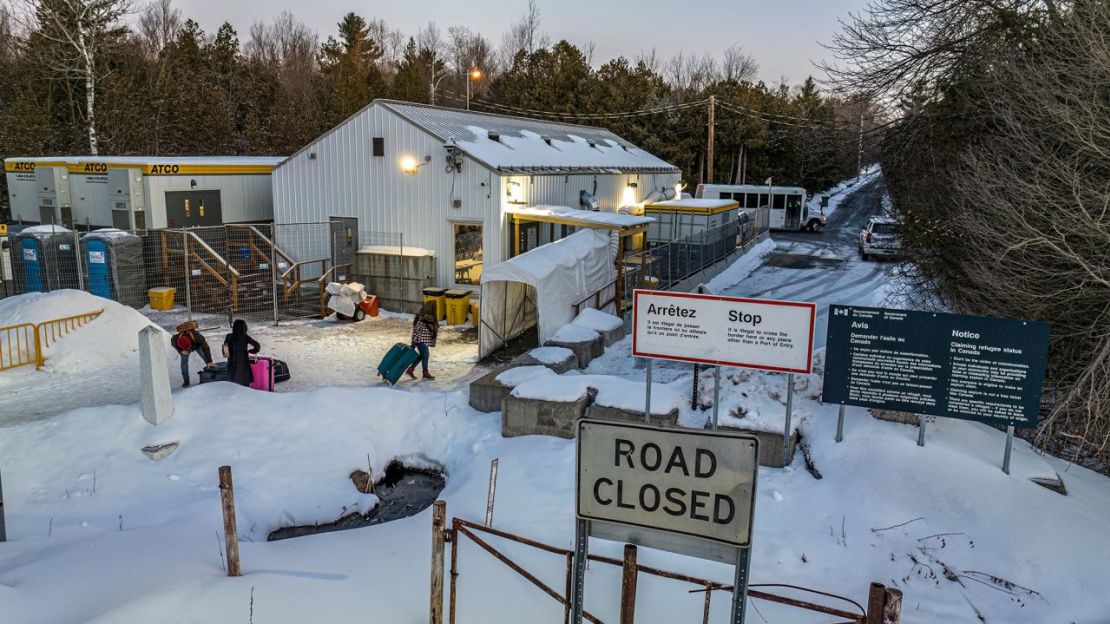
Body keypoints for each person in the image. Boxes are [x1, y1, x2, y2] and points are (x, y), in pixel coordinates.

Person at [171, 323, 213, 388]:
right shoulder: (176, 339)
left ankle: (213, 372)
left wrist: (209, 361)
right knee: (184, 364)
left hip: (197, 346)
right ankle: (186, 380)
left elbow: (206, 347)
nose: (189, 350)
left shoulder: (197, 336)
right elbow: (172, 342)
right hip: (183, 349)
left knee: (205, 358)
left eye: (189, 348)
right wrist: (181, 351)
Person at [222, 319, 261, 387]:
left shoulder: (229, 336)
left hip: (232, 363)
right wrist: (252, 351)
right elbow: (257, 345)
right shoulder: (245, 337)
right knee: (244, 383)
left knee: (232, 383)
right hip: (243, 362)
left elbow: (225, 351)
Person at [407, 300, 439, 380]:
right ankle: (425, 372)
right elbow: (417, 330)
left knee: (422, 356)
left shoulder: (427, 316)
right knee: (426, 355)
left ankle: (411, 369)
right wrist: (414, 342)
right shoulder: (423, 317)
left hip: (423, 340)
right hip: (420, 340)